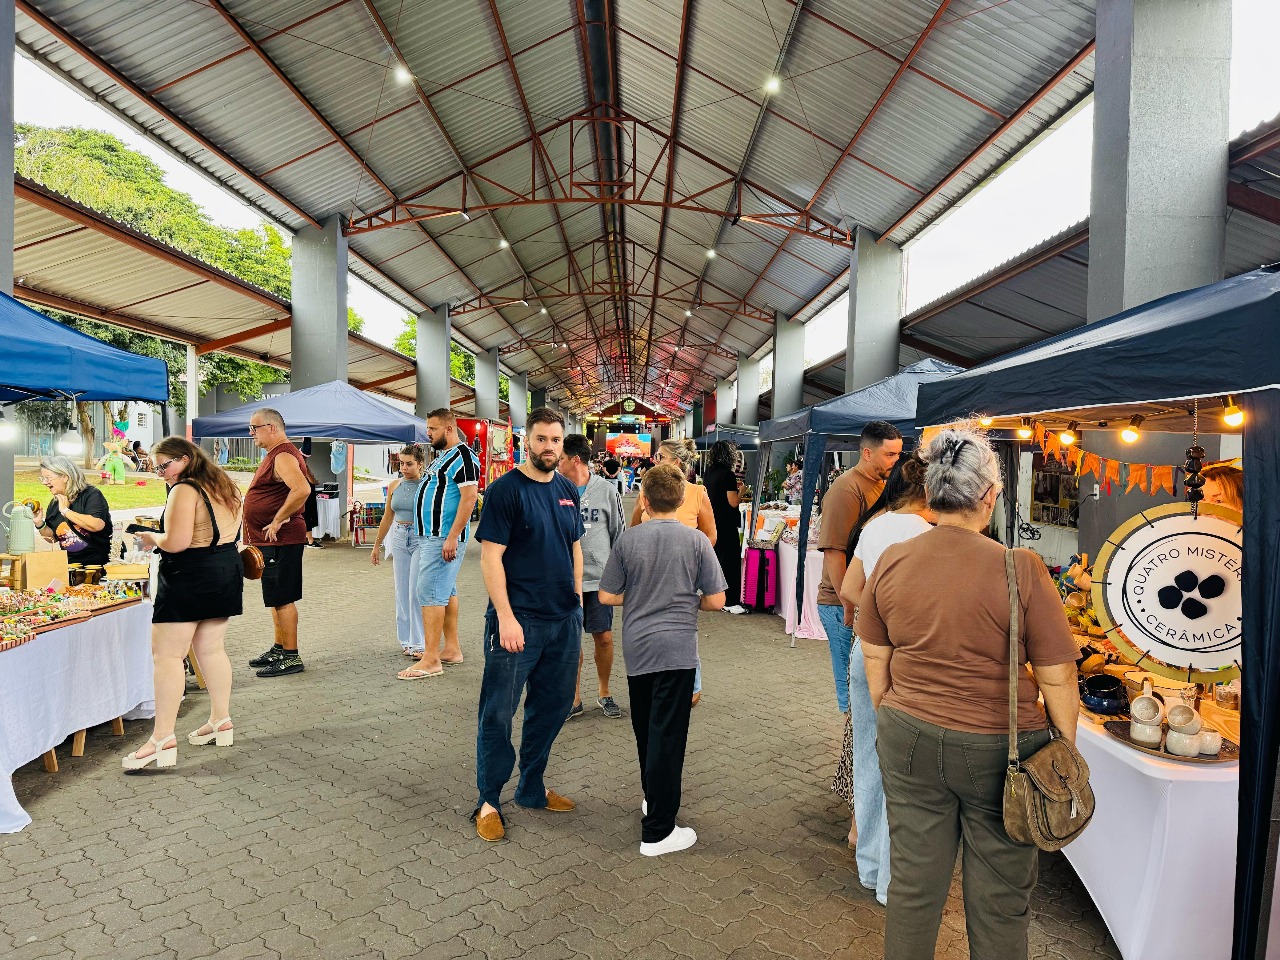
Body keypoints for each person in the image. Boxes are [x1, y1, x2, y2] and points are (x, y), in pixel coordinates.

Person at [857, 426, 1080, 960]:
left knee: (913, 884)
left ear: (932, 493)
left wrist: (890, 710)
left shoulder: (893, 558)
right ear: (989, 496)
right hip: (1001, 748)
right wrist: (1065, 752)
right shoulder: (1019, 567)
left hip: (908, 733)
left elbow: (874, 656)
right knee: (1000, 897)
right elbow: (1056, 675)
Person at [598, 464, 727, 856]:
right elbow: (717, 600)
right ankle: (657, 831)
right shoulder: (697, 541)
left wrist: (638, 597)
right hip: (677, 650)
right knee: (668, 739)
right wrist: (689, 599)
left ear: (644, 500)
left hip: (638, 649)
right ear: (683, 498)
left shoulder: (628, 541)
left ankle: (653, 801)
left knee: (646, 731)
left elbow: (606, 596)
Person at [472, 407, 584, 843]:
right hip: (516, 624)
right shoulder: (505, 491)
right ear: (526, 440)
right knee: (498, 712)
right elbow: (490, 557)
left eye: (556, 440)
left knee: (552, 708)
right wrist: (505, 616)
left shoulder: (567, 490)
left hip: (563, 621)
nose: (550, 448)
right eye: (541, 439)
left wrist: (575, 603)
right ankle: (488, 800)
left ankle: (532, 788)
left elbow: (573, 547)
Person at [832, 454, 933, 903]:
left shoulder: (876, 525)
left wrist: (876, 610)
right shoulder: (929, 534)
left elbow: (850, 589)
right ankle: (896, 882)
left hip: (864, 651)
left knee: (869, 761)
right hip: (908, 657)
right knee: (907, 769)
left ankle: (871, 868)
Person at [122, 438, 244, 771]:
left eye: (165, 465)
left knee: (167, 656)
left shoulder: (184, 489)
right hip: (225, 567)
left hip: (190, 572)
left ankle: (161, 738)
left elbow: (176, 543)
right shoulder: (224, 484)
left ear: (186, 459)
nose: (161, 473)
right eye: (156, 467)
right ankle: (221, 720)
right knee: (213, 650)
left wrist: (151, 537)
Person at [816, 421, 903, 714]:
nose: (896, 461)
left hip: (865, 602)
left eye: (898, 454)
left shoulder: (882, 484)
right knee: (853, 687)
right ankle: (850, 750)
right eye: (889, 455)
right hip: (843, 604)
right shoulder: (846, 490)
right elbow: (834, 552)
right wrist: (848, 605)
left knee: (866, 685)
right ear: (867, 453)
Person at [630, 438, 716, 706]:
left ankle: (692, 683)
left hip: (684, 574)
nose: (655, 461)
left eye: (661, 457)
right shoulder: (647, 491)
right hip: (648, 573)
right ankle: (652, 679)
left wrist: (692, 557)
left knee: (683, 626)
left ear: (677, 462)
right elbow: (633, 530)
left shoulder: (697, 493)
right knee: (647, 625)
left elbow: (710, 535)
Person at [398, 409, 480, 680]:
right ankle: (451, 649)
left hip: (442, 536)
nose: (428, 434)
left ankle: (431, 659)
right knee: (446, 591)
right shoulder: (443, 457)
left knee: (429, 592)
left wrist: (452, 536)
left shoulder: (464, 456)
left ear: (448, 429)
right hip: (433, 536)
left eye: (432, 429)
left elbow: (469, 499)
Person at [558, 433, 626, 720]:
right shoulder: (554, 489)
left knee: (605, 637)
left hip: (599, 579)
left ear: (575, 459)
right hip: (565, 580)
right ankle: (573, 698)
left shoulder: (607, 491)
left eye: (560, 458)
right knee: (571, 640)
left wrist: (619, 575)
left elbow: (619, 533)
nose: (556, 462)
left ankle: (604, 692)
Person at [243, 408, 312, 678]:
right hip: (270, 541)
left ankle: (291, 657)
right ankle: (279, 648)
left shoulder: (283, 454)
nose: (251, 434)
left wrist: (278, 519)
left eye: (254, 428)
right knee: (274, 597)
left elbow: (302, 489)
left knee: (283, 598)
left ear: (271, 427)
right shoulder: (276, 454)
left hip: (281, 540)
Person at [371, 444, 426, 658]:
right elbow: (387, 517)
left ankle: (419, 642)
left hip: (421, 538)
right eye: (401, 463)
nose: (404, 467)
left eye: (409, 464)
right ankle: (405, 640)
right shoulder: (394, 485)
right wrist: (377, 545)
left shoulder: (427, 485)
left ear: (420, 463)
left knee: (415, 592)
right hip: (400, 537)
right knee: (401, 591)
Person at [32, 455, 113, 566]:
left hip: (99, 564)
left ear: (65, 477)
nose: (44, 482)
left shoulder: (91, 494)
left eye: (48, 478)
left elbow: (96, 525)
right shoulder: (55, 502)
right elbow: (53, 537)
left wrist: (66, 511)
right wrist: (39, 523)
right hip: (71, 566)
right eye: (43, 478)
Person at [703, 439, 746, 614]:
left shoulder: (708, 472)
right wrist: (742, 491)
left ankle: (715, 596)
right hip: (727, 523)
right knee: (731, 562)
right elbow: (733, 502)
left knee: (717, 561)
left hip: (713, 521)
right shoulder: (728, 475)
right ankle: (731, 600)